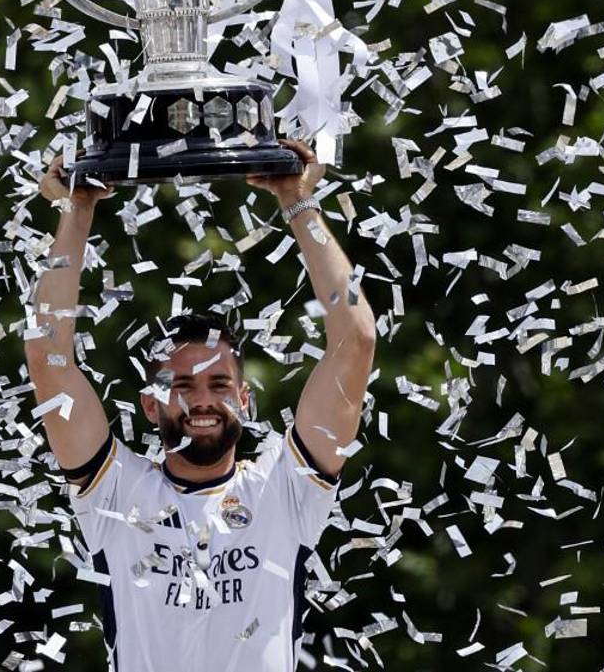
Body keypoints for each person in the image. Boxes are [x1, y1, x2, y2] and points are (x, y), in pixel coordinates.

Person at [23, 139, 377, 672]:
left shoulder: (285, 491)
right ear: (150, 404)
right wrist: (77, 209)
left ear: (245, 397)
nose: (202, 401)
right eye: (181, 385)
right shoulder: (116, 492)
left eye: (218, 383)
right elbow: (48, 354)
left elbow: (356, 341)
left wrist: (298, 202)